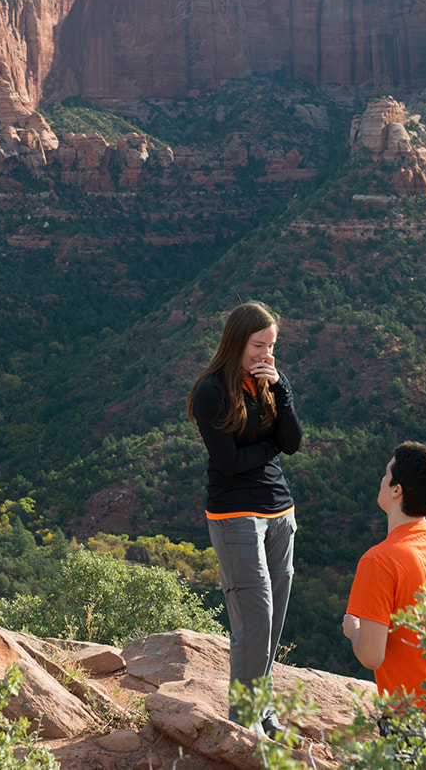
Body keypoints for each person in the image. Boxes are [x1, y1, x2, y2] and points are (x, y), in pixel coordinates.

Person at [186, 301, 303, 736]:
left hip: (280, 513)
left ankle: (263, 710)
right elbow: (230, 462)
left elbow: (292, 440)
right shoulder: (211, 391)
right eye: (258, 345)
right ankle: (244, 723)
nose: (266, 355)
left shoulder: (271, 381)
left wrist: (283, 393)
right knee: (254, 619)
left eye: (271, 346)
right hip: (235, 515)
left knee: (272, 623)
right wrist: (272, 447)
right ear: (236, 342)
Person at [342, 441, 426, 705]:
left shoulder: (379, 560)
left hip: (418, 721)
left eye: (385, 474)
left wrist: (353, 629)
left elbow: (371, 656)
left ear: (396, 490)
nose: (381, 480)